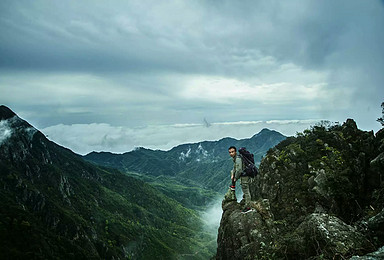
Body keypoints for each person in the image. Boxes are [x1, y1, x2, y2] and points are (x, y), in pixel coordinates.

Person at [228, 146, 252, 212]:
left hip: (244, 177)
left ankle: (248, 207)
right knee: (246, 191)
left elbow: (239, 170)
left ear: (235, 152)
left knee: (246, 191)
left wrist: (235, 178)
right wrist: (232, 174)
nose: (231, 154)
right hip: (245, 176)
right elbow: (235, 168)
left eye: (232, 152)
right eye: (230, 152)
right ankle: (247, 203)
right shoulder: (236, 158)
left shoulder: (238, 159)